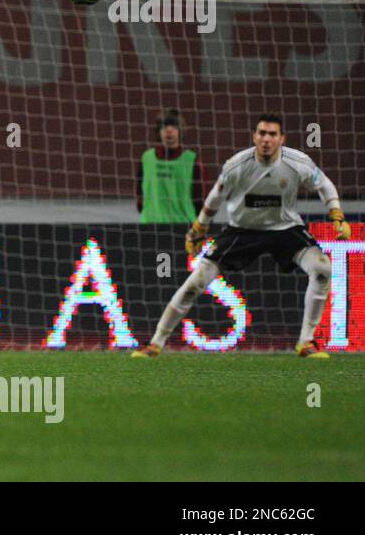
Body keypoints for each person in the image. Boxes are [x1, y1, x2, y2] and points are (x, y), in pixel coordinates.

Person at [134, 113, 351, 359]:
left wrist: (336, 214)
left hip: (285, 229)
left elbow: (324, 185)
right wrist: (198, 229)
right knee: (196, 282)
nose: (266, 139)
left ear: (282, 139)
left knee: (322, 269)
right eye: (261, 133)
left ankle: (306, 342)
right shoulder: (237, 165)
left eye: (272, 134)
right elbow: (214, 199)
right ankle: (155, 343)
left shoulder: (297, 162)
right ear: (254, 136)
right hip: (241, 230)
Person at [137, 108, 205, 224]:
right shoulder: (147, 158)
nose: (169, 130)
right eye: (164, 127)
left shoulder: (192, 160)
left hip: (183, 225)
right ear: (158, 131)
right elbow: (139, 193)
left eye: (173, 126)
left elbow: (200, 197)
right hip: (150, 224)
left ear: (180, 130)